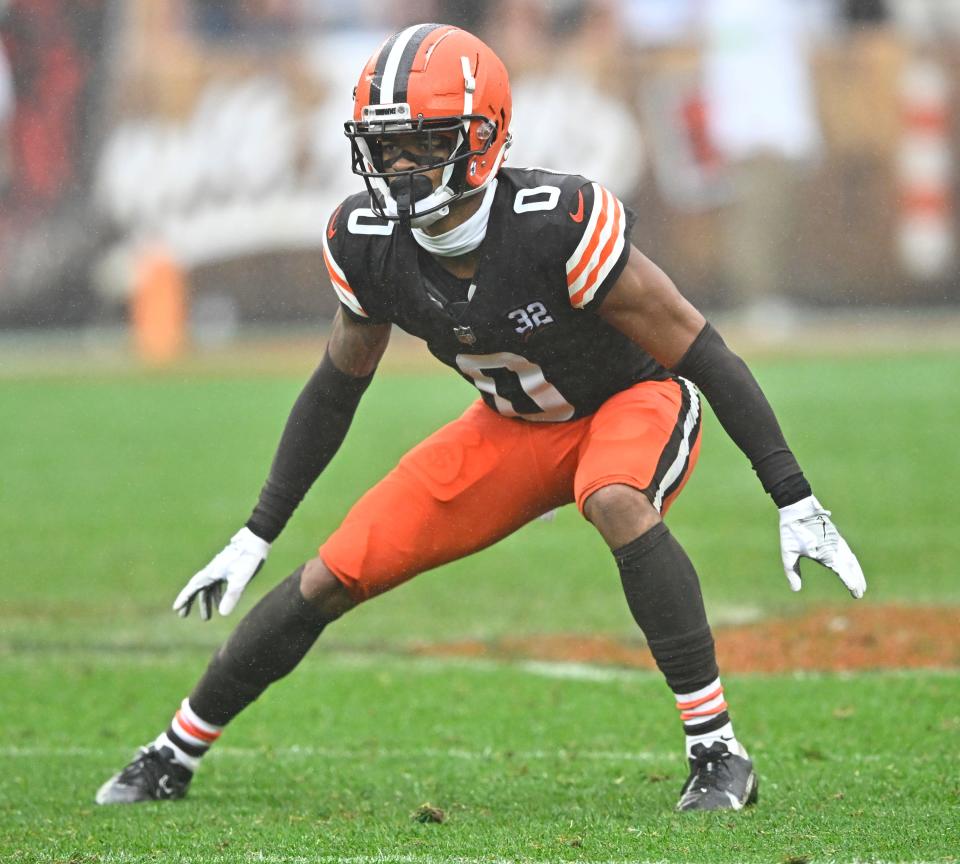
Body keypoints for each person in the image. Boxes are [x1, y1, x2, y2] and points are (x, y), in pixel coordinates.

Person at [95, 23, 866, 813]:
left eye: (424, 143)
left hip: (631, 403)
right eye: (385, 146)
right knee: (336, 571)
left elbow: (700, 350)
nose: (400, 166)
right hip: (511, 428)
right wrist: (256, 531)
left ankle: (718, 753)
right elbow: (335, 388)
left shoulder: (553, 221)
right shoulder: (365, 243)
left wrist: (793, 494)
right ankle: (172, 753)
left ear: (484, 136)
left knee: (614, 496)